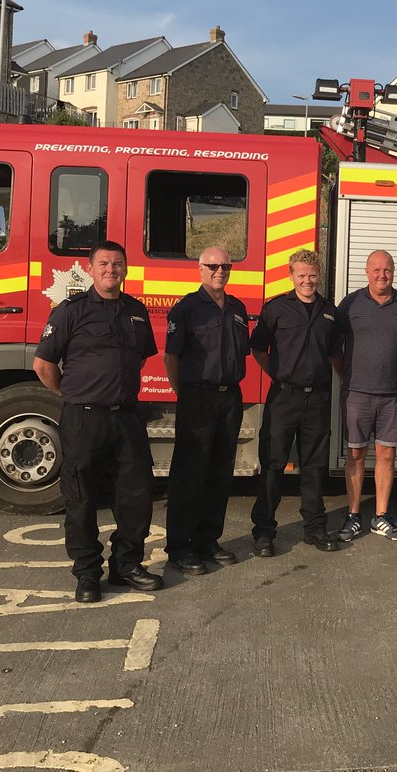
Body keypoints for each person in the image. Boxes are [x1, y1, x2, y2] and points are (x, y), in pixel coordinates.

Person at [33, 241, 164, 603]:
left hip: (126, 419)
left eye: (118, 264)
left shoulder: (136, 311)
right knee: (81, 498)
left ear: (125, 269)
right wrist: (75, 396)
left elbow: (138, 361)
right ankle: (88, 573)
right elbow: (43, 366)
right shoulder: (70, 312)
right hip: (83, 419)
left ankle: (127, 565)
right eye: (104, 263)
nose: (111, 269)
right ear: (90, 269)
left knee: (136, 495)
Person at [248, 250, 341, 556]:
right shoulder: (275, 308)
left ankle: (315, 529)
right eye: (301, 275)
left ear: (319, 274)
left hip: (317, 398)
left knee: (314, 467)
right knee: (273, 466)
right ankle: (264, 533)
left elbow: (333, 354)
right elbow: (259, 348)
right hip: (283, 398)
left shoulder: (330, 311)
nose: (307, 281)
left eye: (312, 275)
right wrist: (278, 374)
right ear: (290, 276)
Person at [163, 246, 249, 574]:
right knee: (190, 474)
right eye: (212, 266)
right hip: (197, 398)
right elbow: (171, 357)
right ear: (200, 269)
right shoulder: (186, 309)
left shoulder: (238, 308)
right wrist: (184, 394)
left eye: (225, 266)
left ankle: (207, 540)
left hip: (230, 399)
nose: (219, 271)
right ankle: (180, 547)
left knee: (219, 472)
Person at [332, 249, 397, 542]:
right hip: (357, 394)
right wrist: (347, 376)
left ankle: (381, 517)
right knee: (355, 454)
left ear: (394, 271)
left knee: (386, 454)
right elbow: (335, 348)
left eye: (388, 270)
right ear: (367, 272)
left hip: (393, 395)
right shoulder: (350, 303)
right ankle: (354, 516)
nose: (383, 275)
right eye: (377, 270)